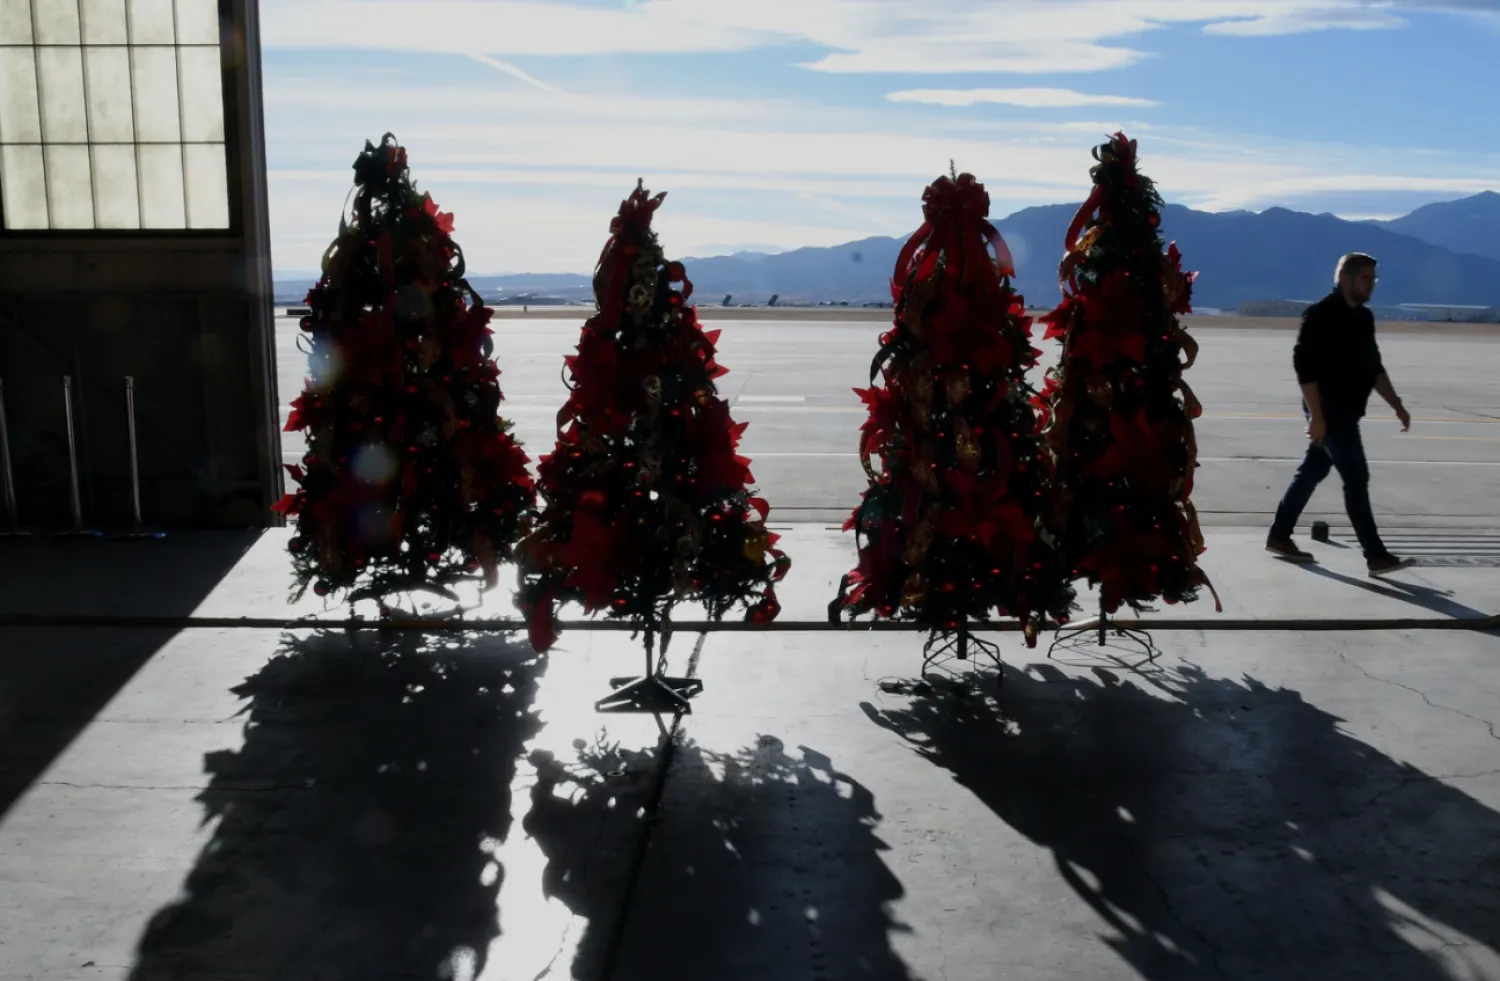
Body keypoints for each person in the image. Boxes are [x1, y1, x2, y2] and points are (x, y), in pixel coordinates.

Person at [1265, 253, 1416, 577]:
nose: (1371, 284)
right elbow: (1304, 367)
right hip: (1329, 411)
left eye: (1373, 278)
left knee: (1312, 470)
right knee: (1357, 478)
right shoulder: (1320, 315)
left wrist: (1397, 404)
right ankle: (1375, 555)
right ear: (1345, 279)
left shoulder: (1364, 318)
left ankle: (1279, 535)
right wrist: (1316, 416)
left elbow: (1374, 368)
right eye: (1365, 278)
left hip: (1346, 410)